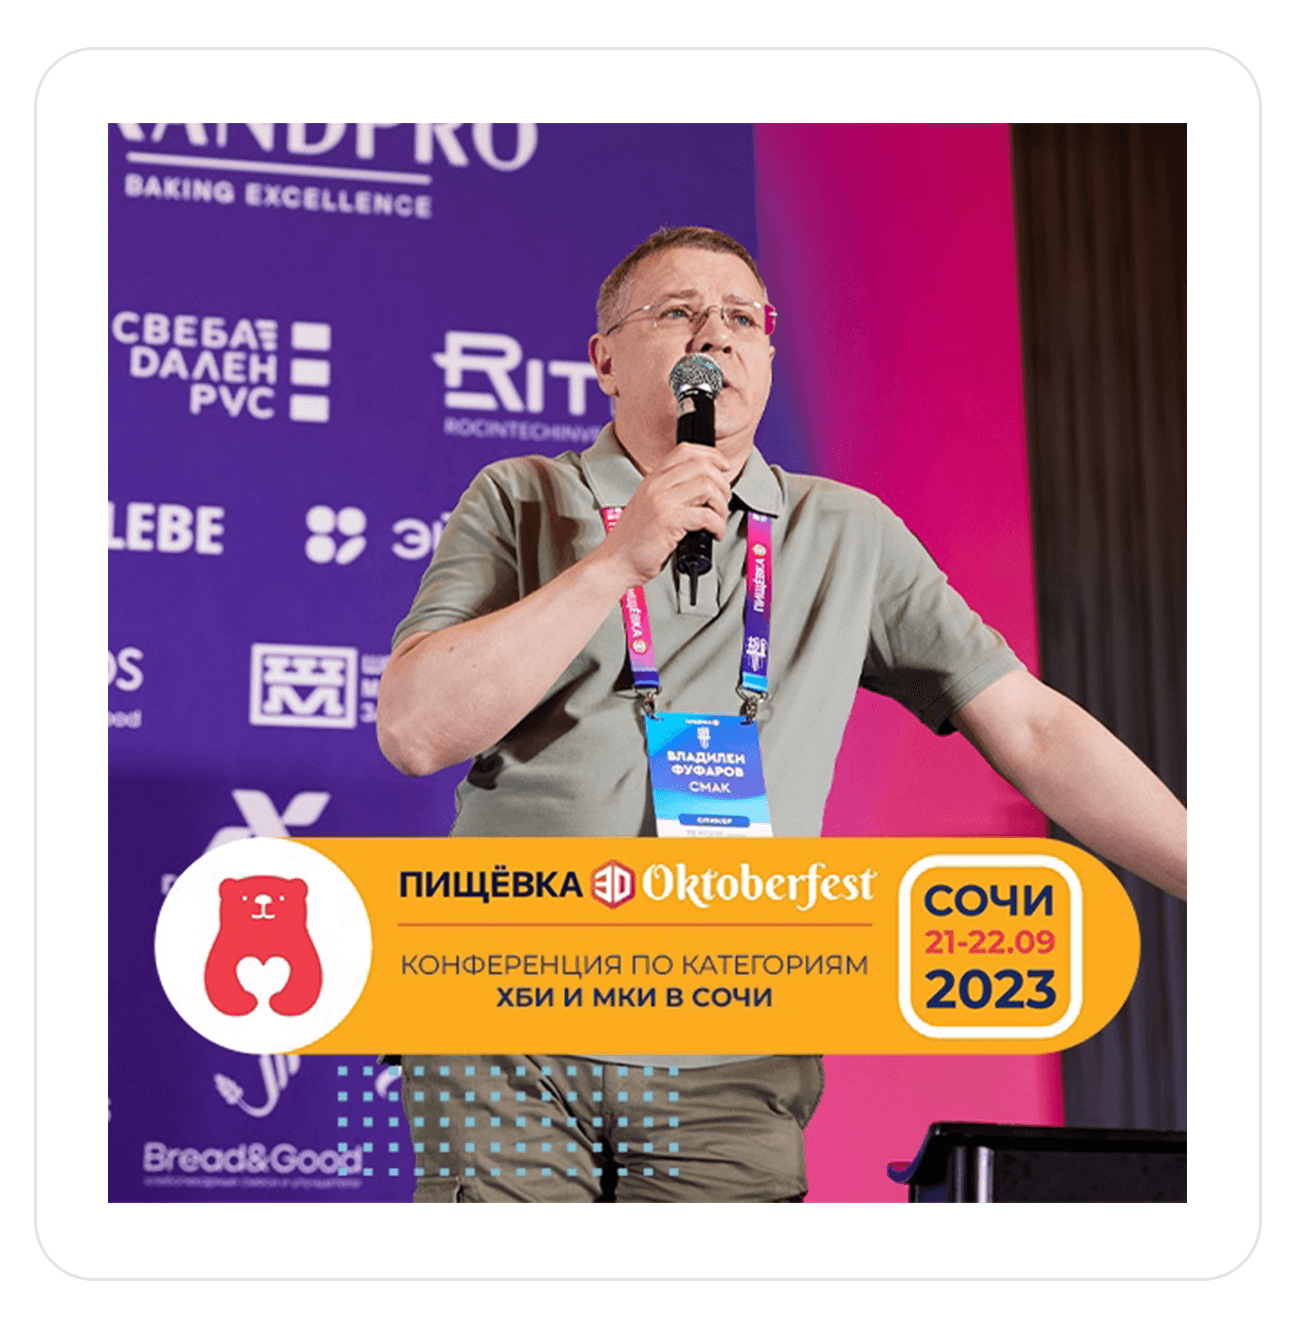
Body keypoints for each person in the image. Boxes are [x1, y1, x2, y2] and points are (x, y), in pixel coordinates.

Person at [376, 225, 1187, 1202]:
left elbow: (1033, 727)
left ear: (766, 353)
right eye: (676, 312)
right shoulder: (522, 497)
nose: (713, 337)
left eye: (741, 319)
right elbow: (415, 730)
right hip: (505, 1017)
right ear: (605, 360)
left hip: (732, 1030)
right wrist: (617, 561)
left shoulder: (845, 531)